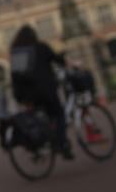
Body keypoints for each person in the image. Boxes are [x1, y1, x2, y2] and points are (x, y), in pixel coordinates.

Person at [9, 24, 72, 159]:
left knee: (38, 118)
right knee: (59, 115)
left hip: (27, 95)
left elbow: (16, 76)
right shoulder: (41, 47)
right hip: (46, 91)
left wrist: (20, 96)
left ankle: (41, 144)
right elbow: (58, 60)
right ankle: (62, 144)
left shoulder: (18, 52)